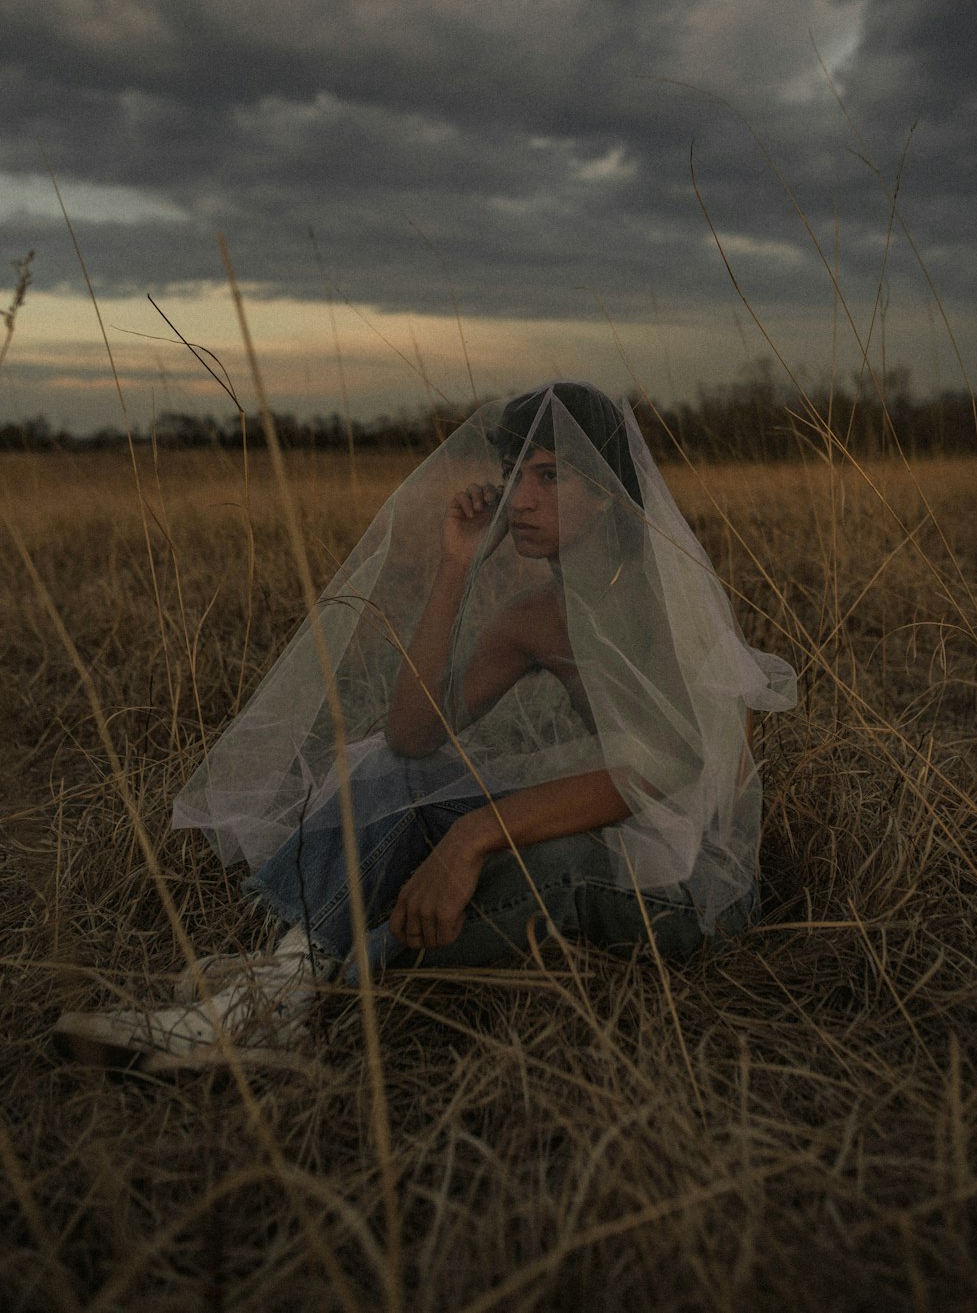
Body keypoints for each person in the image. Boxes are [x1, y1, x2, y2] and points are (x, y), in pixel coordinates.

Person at [54, 382, 796, 1067]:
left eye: (549, 476)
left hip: (688, 879)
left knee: (543, 865)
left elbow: (668, 770)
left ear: (605, 495)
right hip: (606, 820)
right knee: (388, 771)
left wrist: (472, 838)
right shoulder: (536, 616)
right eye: (516, 476)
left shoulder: (664, 597)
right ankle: (287, 983)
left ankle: (292, 989)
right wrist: (456, 566)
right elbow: (412, 736)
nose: (522, 500)